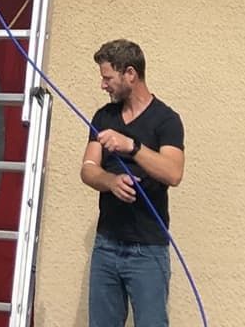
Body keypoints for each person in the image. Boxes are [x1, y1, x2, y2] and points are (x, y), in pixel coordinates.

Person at [81, 39, 186, 327]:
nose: (103, 85)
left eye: (107, 78)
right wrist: (110, 180)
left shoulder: (166, 120)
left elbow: (174, 173)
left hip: (148, 249)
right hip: (106, 245)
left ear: (130, 73)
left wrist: (132, 146)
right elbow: (88, 169)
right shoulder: (104, 116)